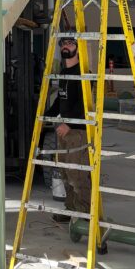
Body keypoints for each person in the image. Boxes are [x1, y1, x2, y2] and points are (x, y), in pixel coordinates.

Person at [45, 36, 92, 223]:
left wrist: (70, 124)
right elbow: (61, 100)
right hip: (64, 130)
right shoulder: (65, 73)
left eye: (70, 44)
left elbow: (85, 105)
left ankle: (85, 213)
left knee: (77, 174)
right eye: (63, 44)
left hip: (77, 131)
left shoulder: (83, 73)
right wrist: (47, 116)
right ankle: (71, 208)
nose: (66, 47)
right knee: (65, 172)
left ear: (77, 49)